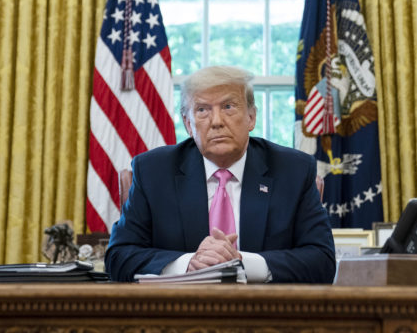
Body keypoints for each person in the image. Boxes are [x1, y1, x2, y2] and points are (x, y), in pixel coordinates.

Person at [105, 65, 336, 283]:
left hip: (265, 315)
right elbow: (118, 256)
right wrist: (188, 264)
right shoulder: (153, 172)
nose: (216, 122)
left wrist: (244, 263)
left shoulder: (293, 171)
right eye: (202, 110)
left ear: (251, 118)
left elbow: (322, 261)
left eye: (228, 107)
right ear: (188, 124)